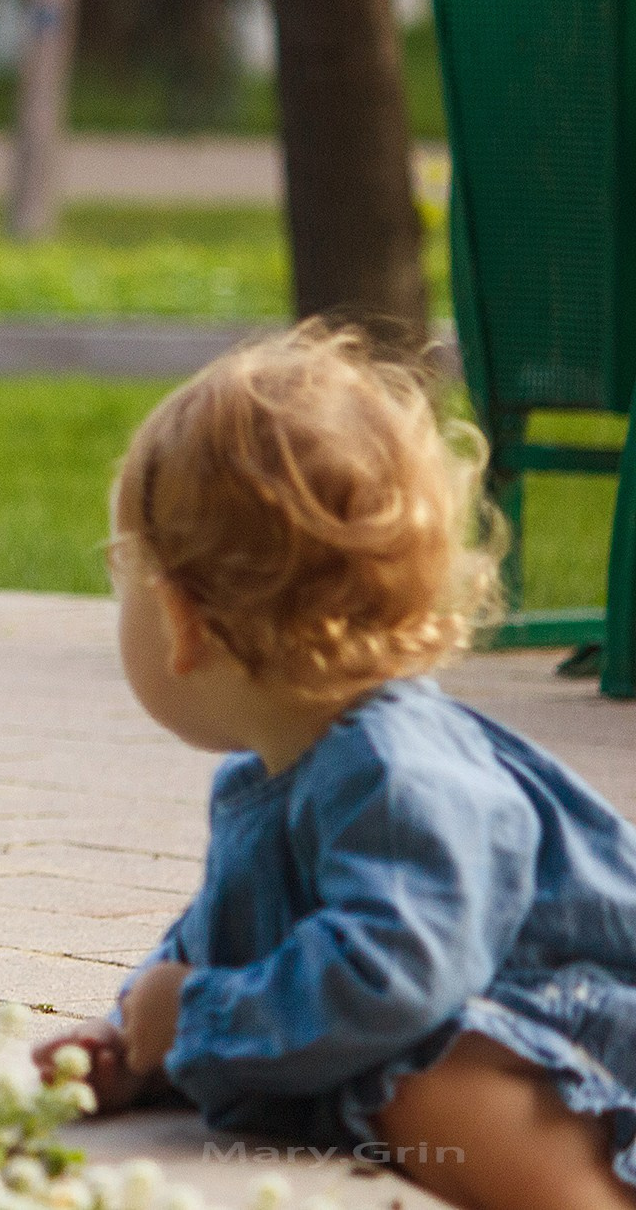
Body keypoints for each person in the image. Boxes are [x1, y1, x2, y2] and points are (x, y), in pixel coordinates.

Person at [36, 324, 636, 1209]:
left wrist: (198, 1017)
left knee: (430, 1085)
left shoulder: (396, 769)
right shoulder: (271, 773)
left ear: (183, 621)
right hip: (468, 1022)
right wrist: (134, 1037)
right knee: (374, 1078)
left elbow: (393, 976)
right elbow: (224, 940)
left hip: (593, 1047)